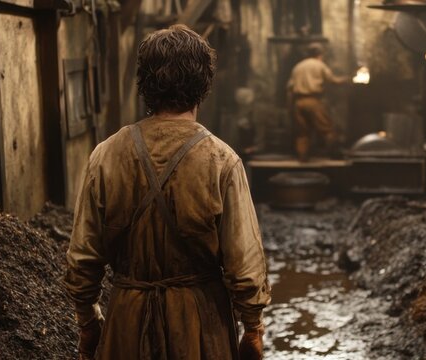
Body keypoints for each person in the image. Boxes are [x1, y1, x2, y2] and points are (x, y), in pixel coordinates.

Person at [64, 25, 270, 360]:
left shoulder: (106, 155)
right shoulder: (221, 160)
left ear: (144, 83)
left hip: (126, 323)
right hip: (201, 324)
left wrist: (88, 321)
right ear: (204, 84)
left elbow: (82, 256)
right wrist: (253, 327)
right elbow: (243, 262)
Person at [286, 43, 349, 161]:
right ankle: (334, 155)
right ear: (320, 54)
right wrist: (346, 80)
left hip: (298, 102)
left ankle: (302, 159)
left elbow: (290, 87)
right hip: (313, 101)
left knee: (302, 133)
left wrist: (290, 106)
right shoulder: (319, 65)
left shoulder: (298, 66)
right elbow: (332, 80)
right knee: (327, 129)